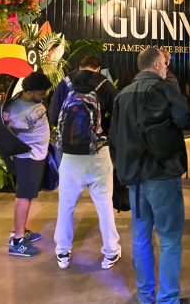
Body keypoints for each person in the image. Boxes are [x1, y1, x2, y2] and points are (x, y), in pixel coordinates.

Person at [110, 47, 190, 304]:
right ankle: (168, 299)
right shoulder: (164, 88)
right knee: (169, 239)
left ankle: (146, 297)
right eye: (164, 64)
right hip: (162, 174)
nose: (166, 67)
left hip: (134, 178)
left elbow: (114, 139)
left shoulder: (121, 95)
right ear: (157, 64)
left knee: (141, 235)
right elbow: (186, 120)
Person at [51, 56, 121, 270]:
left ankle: (62, 251)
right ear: (98, 67)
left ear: (79, 66)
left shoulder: (65, 83)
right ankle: (111, 251)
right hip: (98, 154)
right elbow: (118, 117)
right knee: (104, 203)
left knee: (66, 204)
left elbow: (54, 117)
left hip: (71, 157)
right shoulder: (104, 84)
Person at [3, 72, 52, 256]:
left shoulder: (33, 102)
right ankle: (17, 240)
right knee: (23, 196)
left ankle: (20, 229)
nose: (43, 97)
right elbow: (5, 136)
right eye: (41, 94)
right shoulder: (12, 109)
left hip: (37, 155)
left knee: (28, 195)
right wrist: (6, 125)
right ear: (29, 91)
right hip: (27, 158)